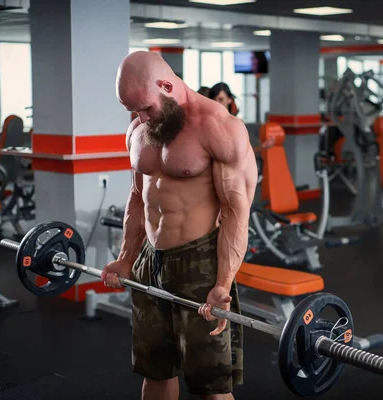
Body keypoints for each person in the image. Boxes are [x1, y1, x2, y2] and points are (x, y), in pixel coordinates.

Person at [103, 51, 258, 400]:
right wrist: (127, 257)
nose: (140, 117)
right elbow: (136, 195)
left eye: (146, 108)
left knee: (210, 386)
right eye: (134, 110)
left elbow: (236, 211)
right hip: (149, 259)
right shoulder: (139, 128)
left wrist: (223, 283)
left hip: (199, 262)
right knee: (155, 371)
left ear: (167, 86)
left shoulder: (219, 128)